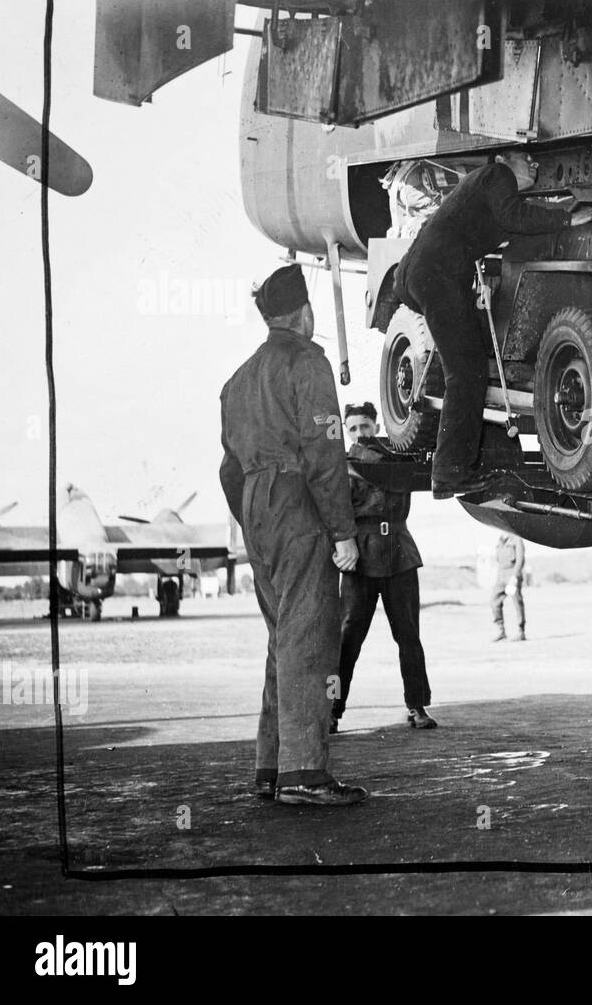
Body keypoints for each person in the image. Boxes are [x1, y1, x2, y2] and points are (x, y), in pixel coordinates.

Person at [219, 263, 367, 807]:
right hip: (296, 502)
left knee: (283, 635)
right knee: (309, 636)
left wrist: (254, 519)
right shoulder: (308, 363)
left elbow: (227, 470)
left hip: (256, 507)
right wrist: (342, 532)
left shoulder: (236, 381)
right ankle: (305, 775)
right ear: (305, 314)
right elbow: (325, 456)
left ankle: (271, 766)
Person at [396, 149, 592, 499]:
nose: (535, 163)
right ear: (503, 158)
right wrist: (569, 220)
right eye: (527, 157)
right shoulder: (496, 176)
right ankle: (449, 474)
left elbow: (512, 220)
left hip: (425, 274)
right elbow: (515, 216)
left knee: (473, 360)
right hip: (436, 275)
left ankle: (470, 462)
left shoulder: (485, 187)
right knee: (466, 372)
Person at [332, 401, 436, 732]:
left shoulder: (399, 459)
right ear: (346, 432)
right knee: (346, 638)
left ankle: (417, 706)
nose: (360, 433)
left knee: (409, 635)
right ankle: (331, 709)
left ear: (377, 426)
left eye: (365, 426)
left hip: (399, 554)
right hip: (359, 557)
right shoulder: (340, 465)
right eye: (353, 429)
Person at [491, 533, 526, 642]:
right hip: (501, 574)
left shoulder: (516, 539)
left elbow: (520, 559)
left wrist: (515, 576)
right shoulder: (500, 540)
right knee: (494, 601)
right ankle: (501, 631)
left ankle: (521, 632)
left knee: (517, 602)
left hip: (512, 573)